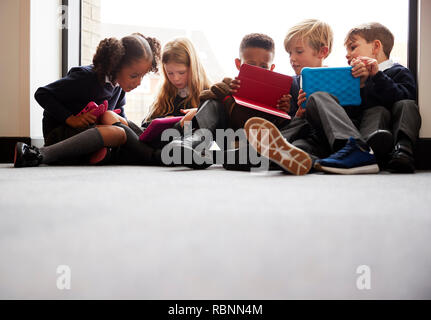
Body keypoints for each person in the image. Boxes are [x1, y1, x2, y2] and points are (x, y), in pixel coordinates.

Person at [14, 33, 162, 167]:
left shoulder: (119, 87)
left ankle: (138, 149)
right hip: (60, 135)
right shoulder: (85, 77)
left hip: (90, 132)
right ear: (116, 64)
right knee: (118, 133)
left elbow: (120, 118)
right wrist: (70, 118)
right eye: (134, 76)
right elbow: (42, 94)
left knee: (110, 117)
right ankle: (38, 154)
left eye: (142, 76)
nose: (138, 82)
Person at [165, 33, 300, 170]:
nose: (258, 70)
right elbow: (205, 98)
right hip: (226, 139)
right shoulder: (230, 86)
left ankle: (227, 157)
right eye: (251, 65)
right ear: (238, 64)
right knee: (213, 102)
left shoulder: (277, 96)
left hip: (252, 145)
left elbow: (279, 129)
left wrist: (283, 112)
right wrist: (225, 95)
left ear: (271, 68)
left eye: (264, 67)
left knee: (292, 125)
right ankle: (193, 142)